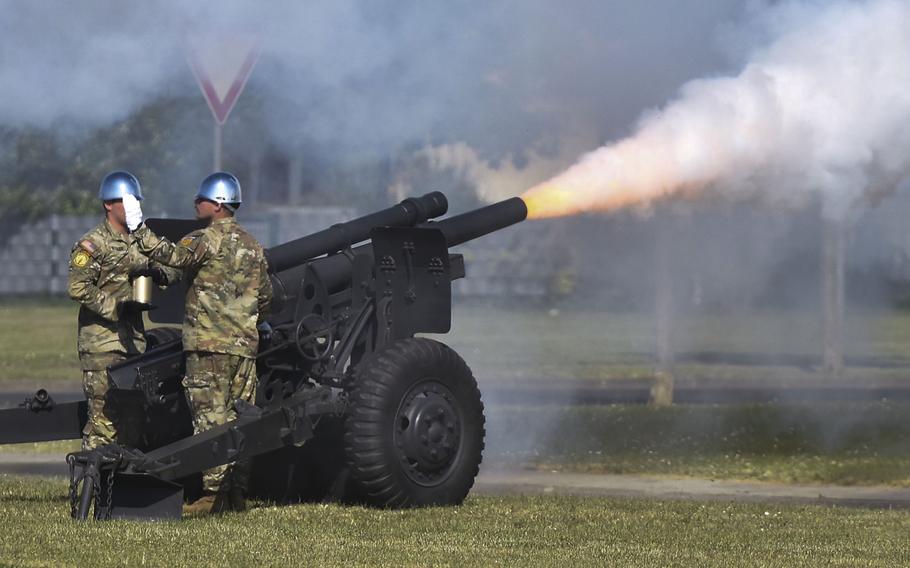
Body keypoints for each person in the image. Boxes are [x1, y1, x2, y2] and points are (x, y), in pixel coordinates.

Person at [127, 172, 272, 515]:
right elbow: (265, 297)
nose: (196, 202)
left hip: (209, 348)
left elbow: (172, 257)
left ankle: (211, 496)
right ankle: (236, 494)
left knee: (211, 423)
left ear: (218, 205)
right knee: (242, 420)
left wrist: (139, 230)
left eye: (201, 198)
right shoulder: (252, 244)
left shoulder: (205, 239)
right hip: (244, 348)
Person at [67, 171, 178, 450]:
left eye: (135, 201)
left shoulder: (141, 240)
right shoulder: (93, 244)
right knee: (103, 422)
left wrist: (157, 274)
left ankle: (123, 486)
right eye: (126, 201)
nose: (132, 206)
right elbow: (78, 287)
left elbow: (175, 266)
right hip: (102, 343)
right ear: (108, 204)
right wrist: (116, 307)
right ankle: (94, 487)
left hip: (133, 343)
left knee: (133, 422)